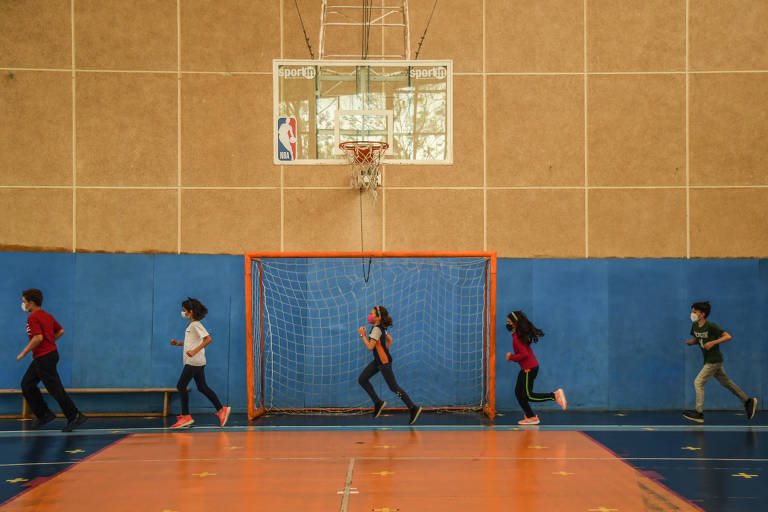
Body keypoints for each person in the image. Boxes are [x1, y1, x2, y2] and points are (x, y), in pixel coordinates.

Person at [17, 289, 87, 432]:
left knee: (55, 389)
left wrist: (24, 352)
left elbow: (38, 338)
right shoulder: (47, 316)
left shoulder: (33, 317)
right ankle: (44, 414)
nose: (23, 304)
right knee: (27, 384)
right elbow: (60, 331)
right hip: (46, 355)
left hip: (45, 357)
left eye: (24, 302)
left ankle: (75, 415)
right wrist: (50, 342)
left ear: (31, 303)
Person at [682, 301, 757, 423]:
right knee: (727, 383)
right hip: (709, 360)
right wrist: (692, 342)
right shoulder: (695, 326)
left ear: (703, 314)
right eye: (692, 311)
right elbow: (698, 338)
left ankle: (698, 413)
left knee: (698, 382)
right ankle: (748, 401)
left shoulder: (711, 326)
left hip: (714, 360)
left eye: (695, 312)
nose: (692, 314)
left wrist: (713, 342)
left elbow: (728, 336)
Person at [170, 298, 231, 429]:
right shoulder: (191, 325)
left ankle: (185, 416)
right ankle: (221, 410)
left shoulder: (196, 324)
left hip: (194, 361)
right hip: (197, 361)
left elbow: (208, 339)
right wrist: (178, 344)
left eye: (184, 310)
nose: (183, 313)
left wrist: (194, 351)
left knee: (181, 386)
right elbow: (192, 343)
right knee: (202, 387)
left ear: (190, 312)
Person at [357, 305, 422, 425]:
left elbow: (370, 347)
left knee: (394, 387)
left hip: (383, 363)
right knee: (362, 379)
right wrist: (384, 352)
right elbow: (390, 340)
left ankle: (413, 408)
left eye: (372, 314)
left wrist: (362, 335)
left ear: (378, 317)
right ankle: (378, 402)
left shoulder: (376, 329)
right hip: (379, 361)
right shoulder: (381, 327)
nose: (370, 316)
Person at [505, 311, 566, 425]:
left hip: (529, 368)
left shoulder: (517, 337)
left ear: (514, 323)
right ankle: (531, 417)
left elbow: (524, 354)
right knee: (518, 393)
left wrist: (511, 357)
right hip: (526, 369)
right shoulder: (517, 334)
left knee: (528, 395)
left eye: (509, 322)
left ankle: (555, 395)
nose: (507, 324)